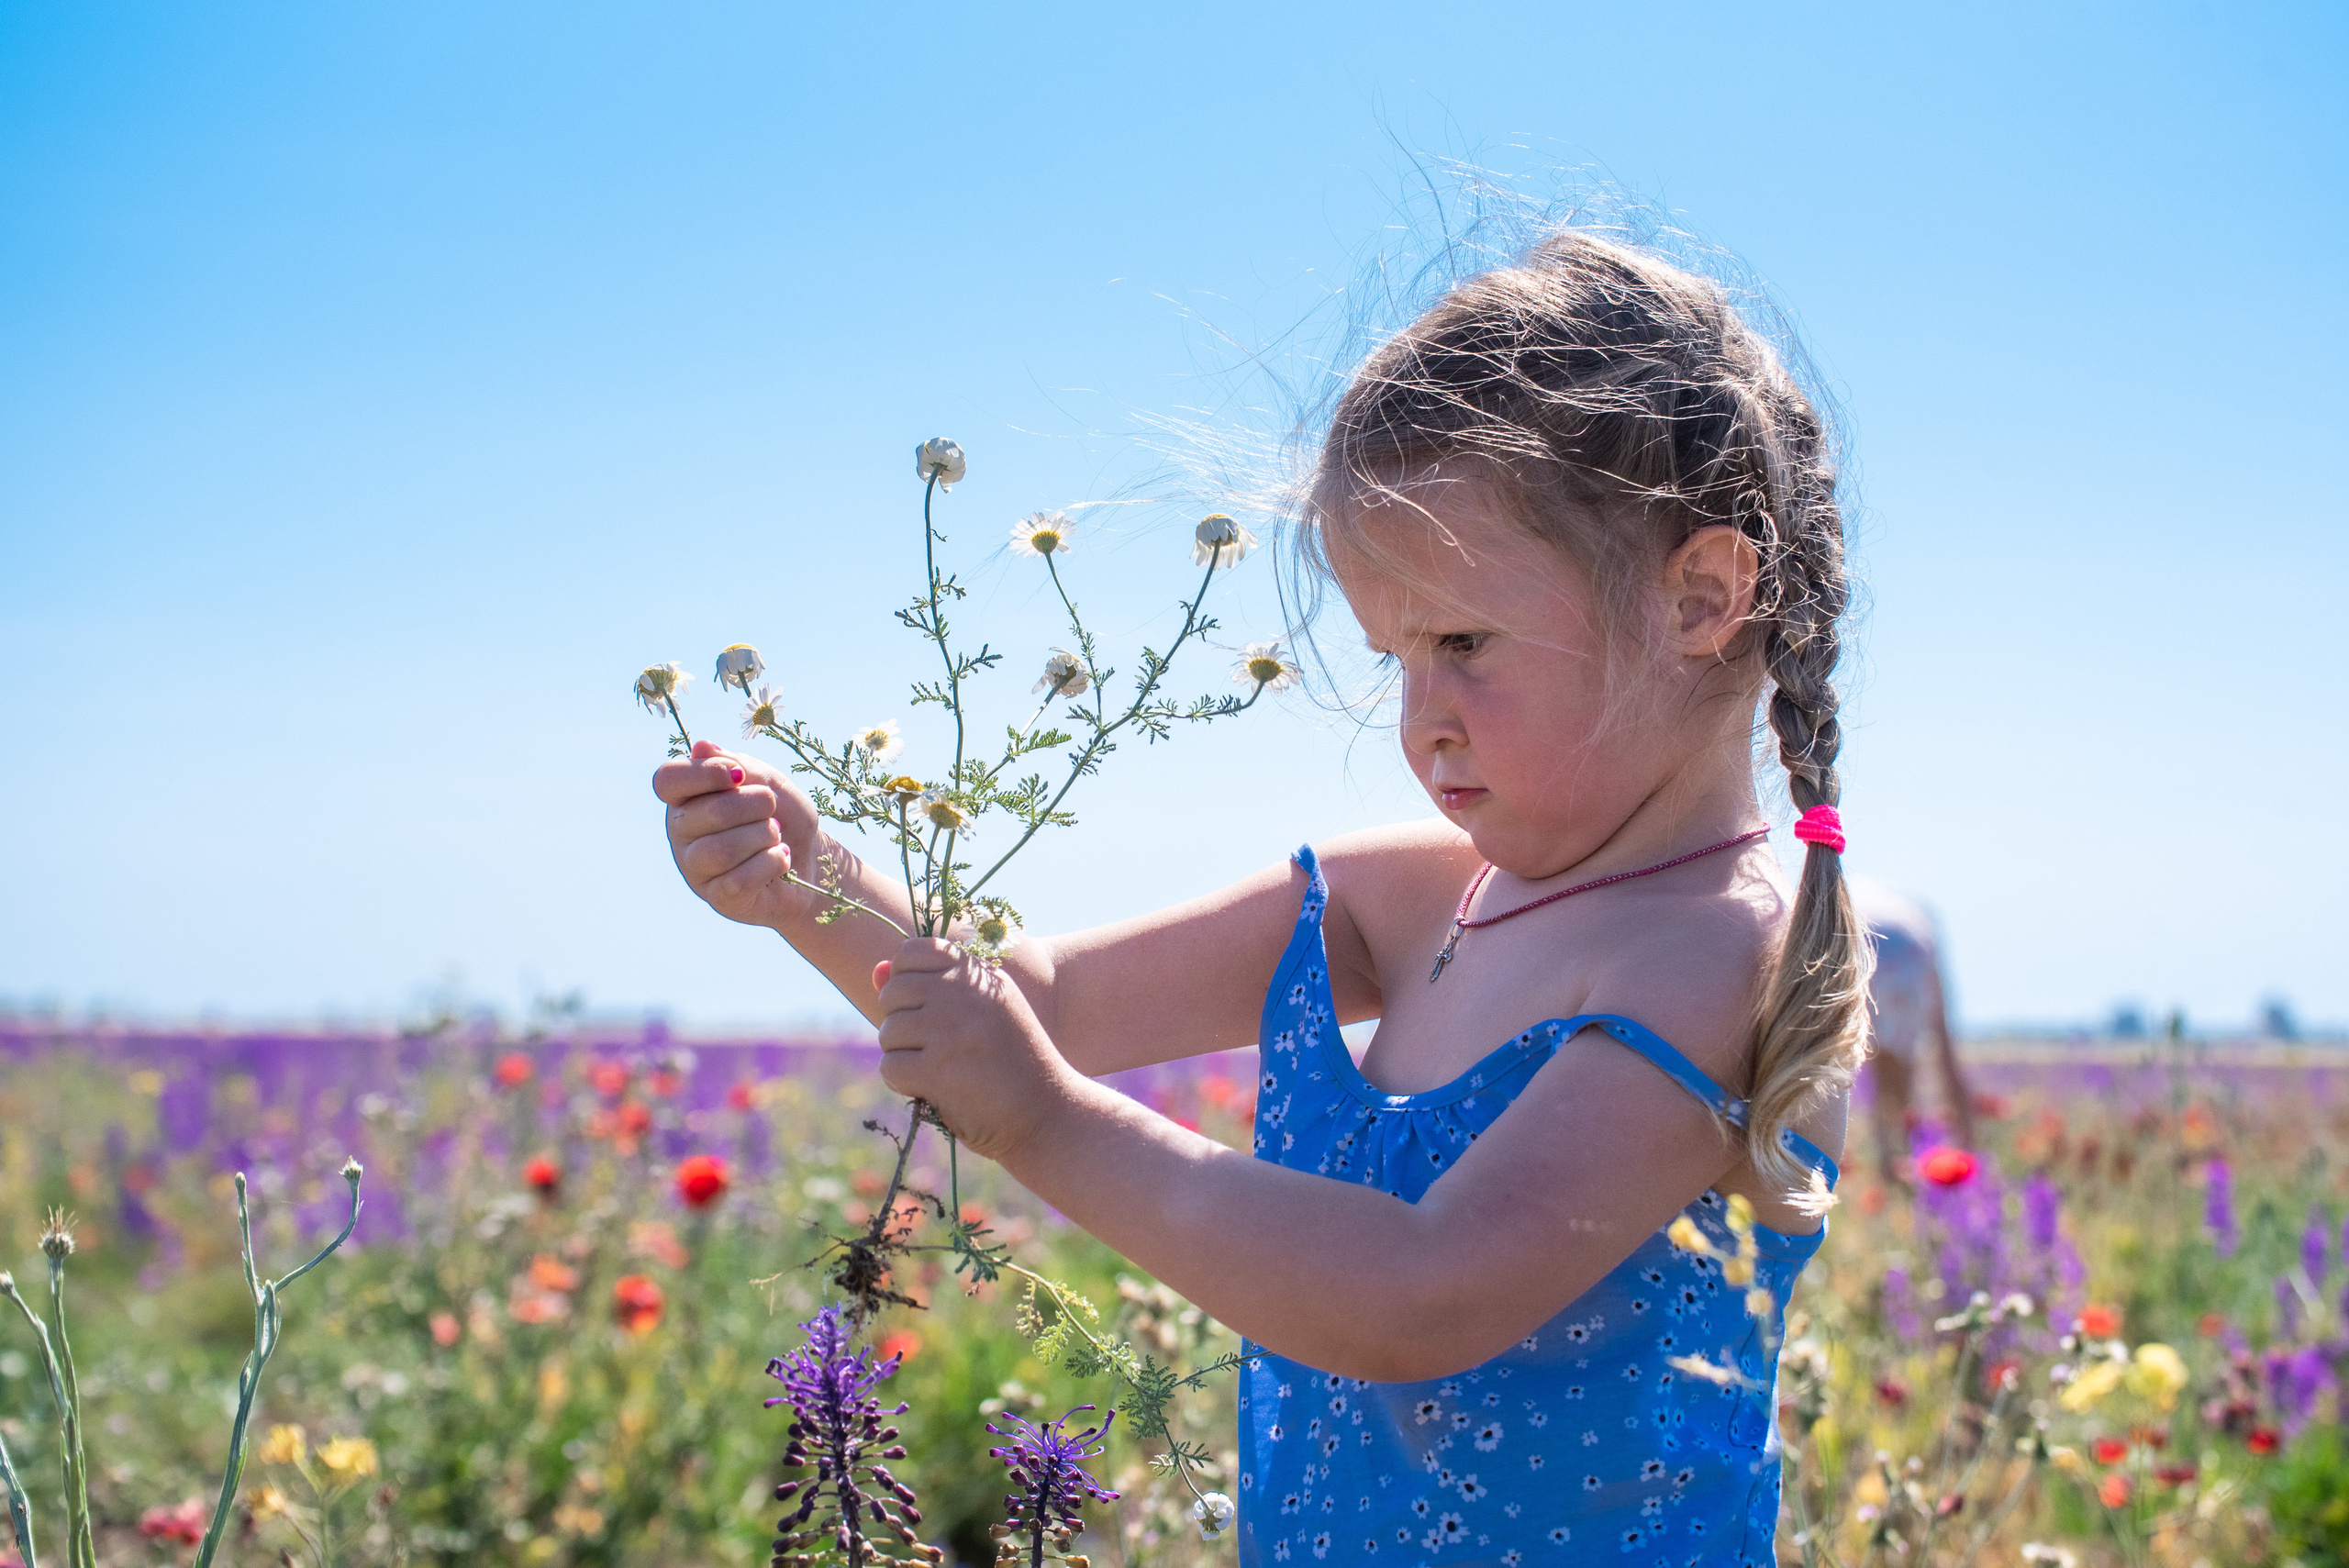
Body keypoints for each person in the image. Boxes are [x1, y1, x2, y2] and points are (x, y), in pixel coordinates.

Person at [656, 230, 1868, 1566]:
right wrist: (815, 886)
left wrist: (1046, 1127)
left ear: (1701, 596)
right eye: (1395, 657)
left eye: (1463, 644)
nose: (1423, 723)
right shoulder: (1406, 900)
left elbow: (1426, 1291)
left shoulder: (1715, 951)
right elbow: (1038, 1002)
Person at [1847, 878, 1976, 1182]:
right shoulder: (1916, 919)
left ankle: (1892, 1168)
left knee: (1869, 1067)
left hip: (1854, 929)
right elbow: (1943, 1040)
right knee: (1899, 1077)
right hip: (1902, 944)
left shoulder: (1869, 899)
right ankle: (1936, 1160)